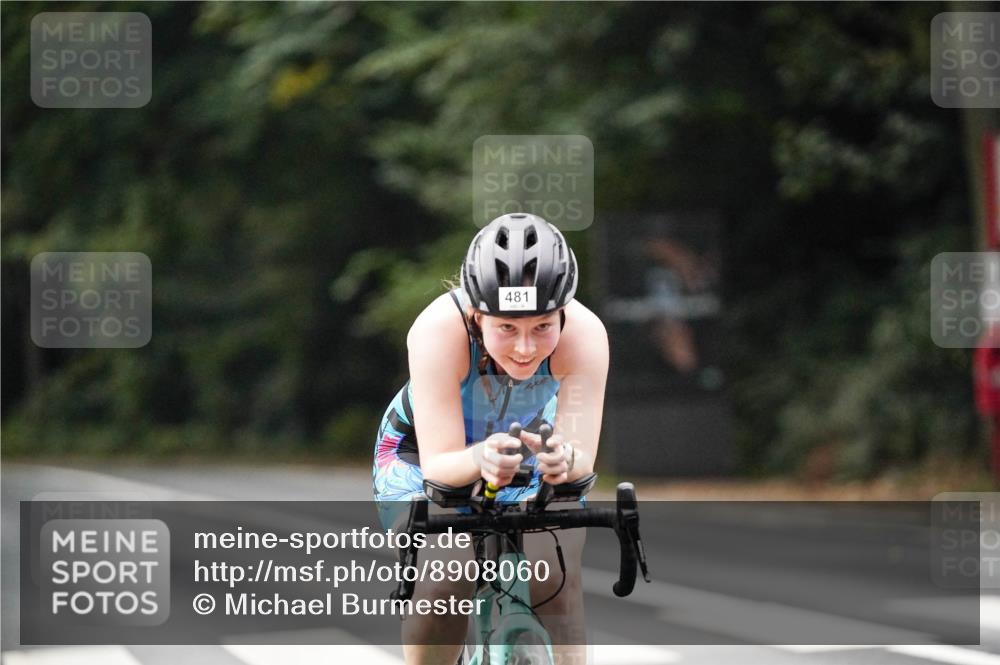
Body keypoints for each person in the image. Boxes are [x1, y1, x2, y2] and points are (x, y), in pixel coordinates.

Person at [372, 213, 609, 665]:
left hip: (526, 452)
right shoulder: (438, 330)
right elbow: (441, 464)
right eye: (506, 328)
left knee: (556, 578)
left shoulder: (585, 336)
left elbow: (581, 458)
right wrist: (479, 457)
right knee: (446, 579)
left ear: (562, 312)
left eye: (543, 326)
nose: (525, 348)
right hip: (422, 454)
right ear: (477, 316)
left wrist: (564, 460)